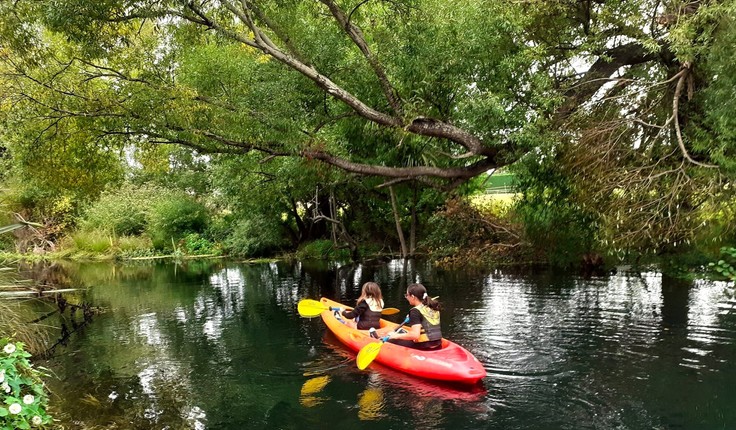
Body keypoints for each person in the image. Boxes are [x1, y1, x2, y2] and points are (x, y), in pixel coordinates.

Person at [384, 283, 442, 350]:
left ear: (413, 296)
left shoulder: (415, 311)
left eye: (407, 295)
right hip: (438, 344)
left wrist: (395, 336)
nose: (406, 297)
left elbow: (415, 335)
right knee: (402, 332)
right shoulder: (433, 306)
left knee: (392, 340)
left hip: (424, 346)